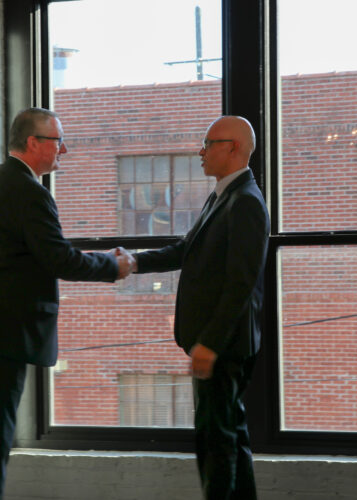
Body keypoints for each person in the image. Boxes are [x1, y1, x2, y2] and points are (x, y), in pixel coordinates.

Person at [0, 107, 135, 500]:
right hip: (2, 334)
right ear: (33, 142)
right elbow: (59, 259)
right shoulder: (31, 193)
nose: (63, 150)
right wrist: (112, 266)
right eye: (58, 141)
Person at [128, 116, 269, 499]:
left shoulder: (246, 202)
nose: (200, 151)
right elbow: (185, 250)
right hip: (219, 344)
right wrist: (134, 261)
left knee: (216, 445)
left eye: (208, 143)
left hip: (223, 346)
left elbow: (241, 285)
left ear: (233, 147)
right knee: (229, 436)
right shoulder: (224, 196)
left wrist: (210, 343)